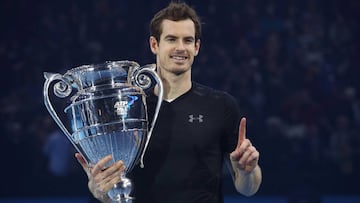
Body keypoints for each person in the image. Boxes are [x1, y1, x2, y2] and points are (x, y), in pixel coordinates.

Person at [75, 1, 262, 203]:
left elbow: (247, 189)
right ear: (154, 44)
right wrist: (100, 190)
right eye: (172, 39)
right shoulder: (128, 109)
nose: (180, 48)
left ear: (197, 47)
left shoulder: (221, 105)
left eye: (188, 40)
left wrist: (248, 172)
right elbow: (111, 192)